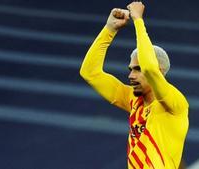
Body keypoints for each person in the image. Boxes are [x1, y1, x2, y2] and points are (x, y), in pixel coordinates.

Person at [80, 2, 189, 169]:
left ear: (160, 71)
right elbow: (90, 73)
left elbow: (150, 70)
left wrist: (138, 21)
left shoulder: (173, 103)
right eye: (130, 69)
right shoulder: (133, 100)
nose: (130, 75)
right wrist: (109, 30)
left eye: (137, 70)